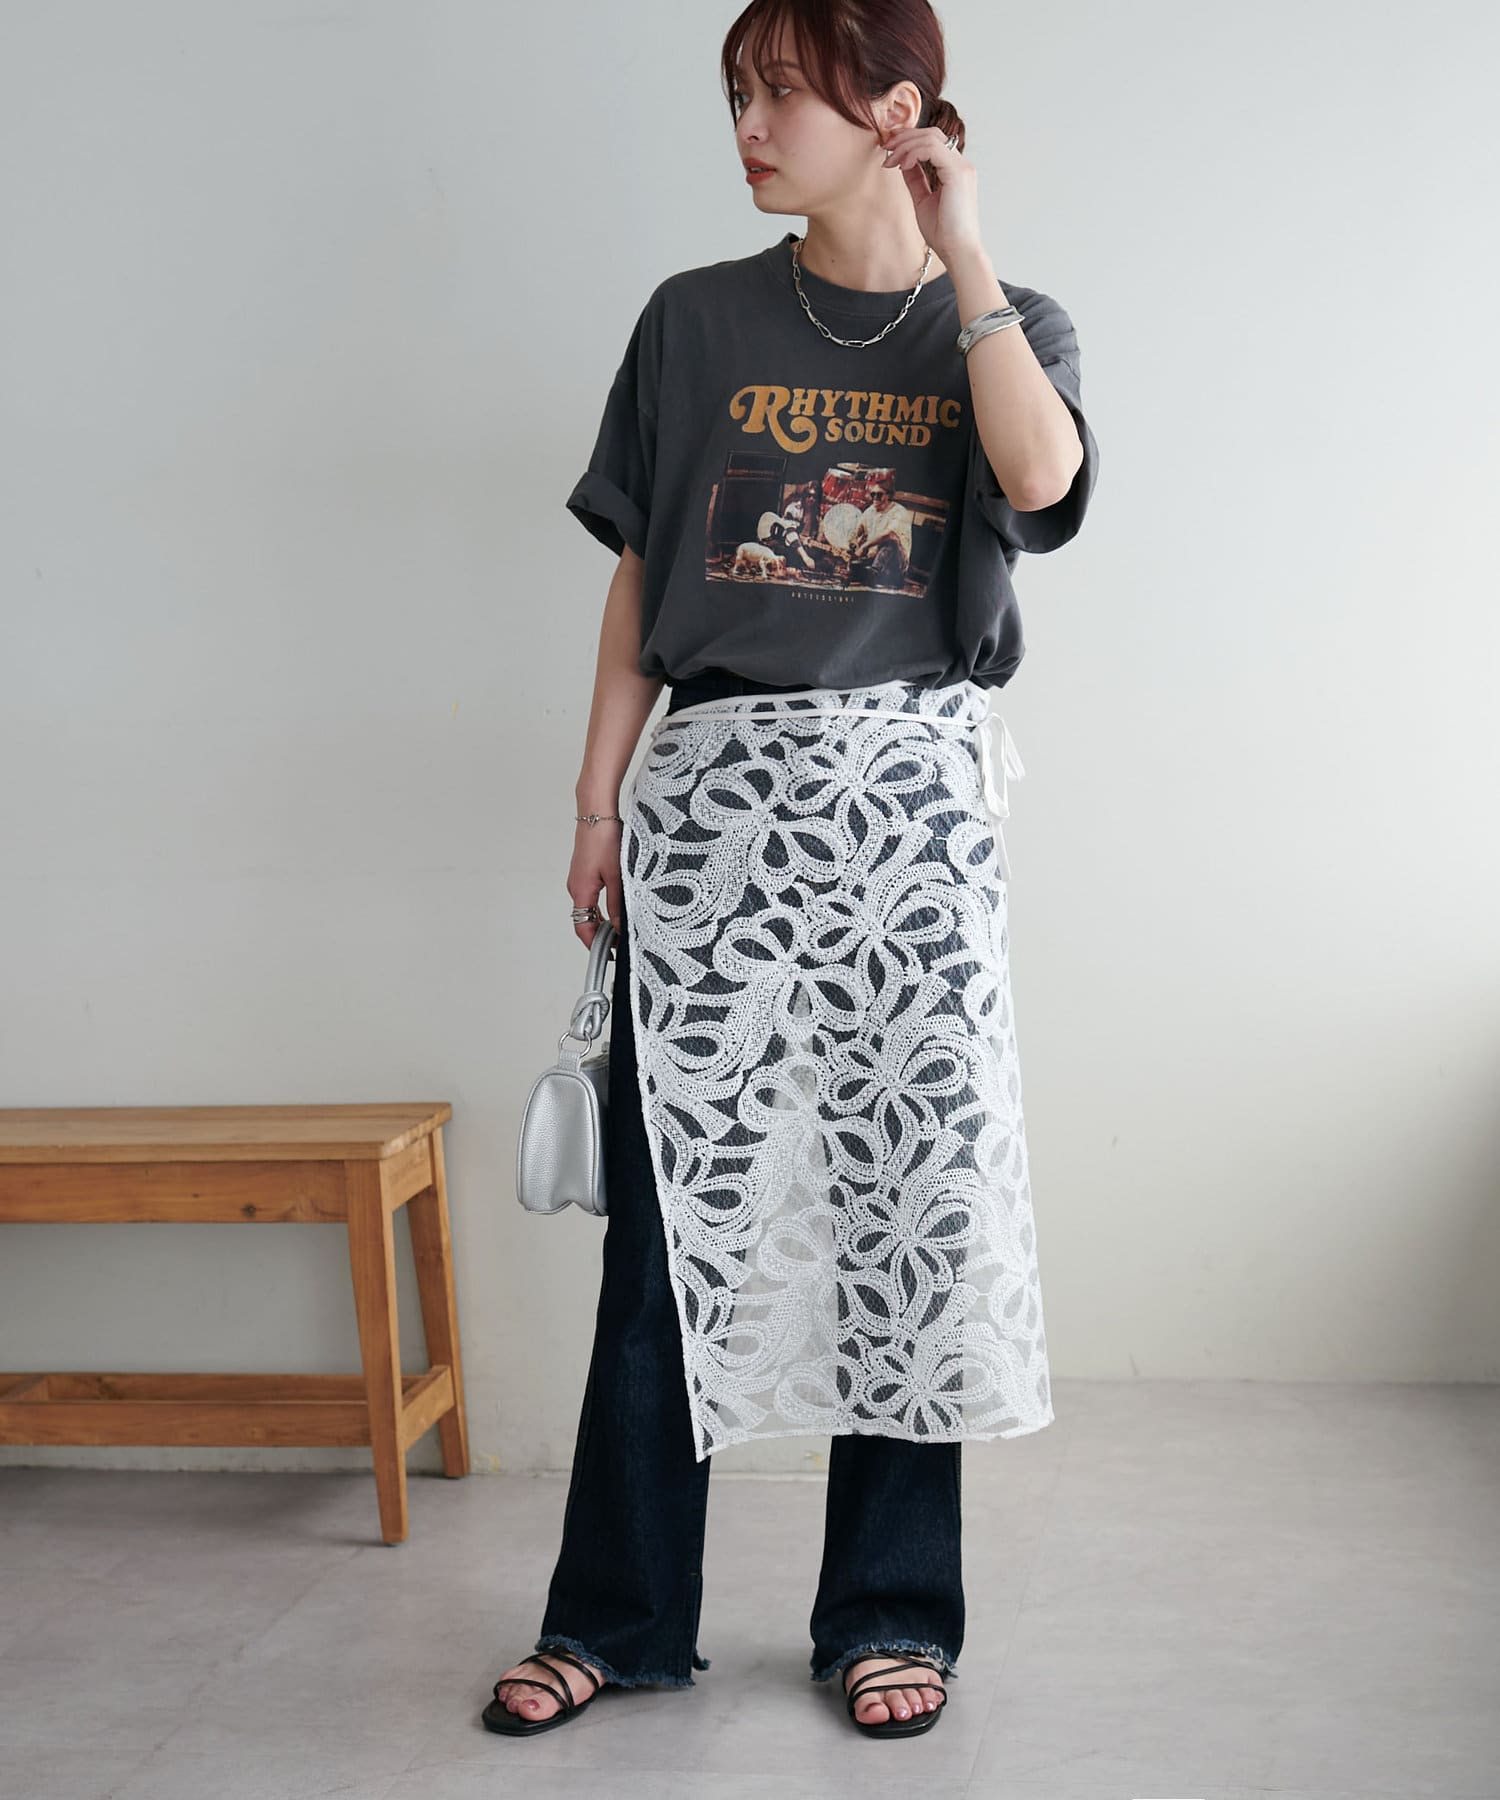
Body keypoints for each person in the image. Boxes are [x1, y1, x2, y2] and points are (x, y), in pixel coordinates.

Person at [485, 0, 1097, 1744]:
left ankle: (890, 1616)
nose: (748, 128)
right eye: (737, 97)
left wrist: (966, 252)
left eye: (780, 96)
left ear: (895, 112)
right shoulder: (693, 321)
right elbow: (638, 576)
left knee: (911, 1216)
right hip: (714, 813)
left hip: (910, 817)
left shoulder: (1009, 320)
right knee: (672, 1228)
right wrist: (596, 804)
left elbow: (1042, 480)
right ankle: (616, 1618)